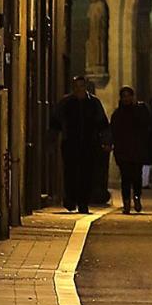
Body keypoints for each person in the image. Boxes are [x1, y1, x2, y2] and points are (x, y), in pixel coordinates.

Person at [51, 76, 108, 213]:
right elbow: (55, 122)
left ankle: (83, 202)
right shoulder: (66, 103)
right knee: (70, 173)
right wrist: (53, 140)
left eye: (81, 86)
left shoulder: (94, 103)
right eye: (76, 86)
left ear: (85, 87)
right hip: (70, 143)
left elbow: (102, 124)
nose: (79, 89)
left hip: (89, 144)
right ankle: (71, 199)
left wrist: (105, 141)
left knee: (86, 174)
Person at [110, 86, 151, 213]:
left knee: (136, 177)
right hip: (123, 151)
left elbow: (147, 127)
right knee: (126, 178)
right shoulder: (117, 114)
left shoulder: (141, 110)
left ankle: (137, 197)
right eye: (124, 96)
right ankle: (127, 202)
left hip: (137, 150)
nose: (127, 99)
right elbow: (113, 131)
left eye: (129, 96)